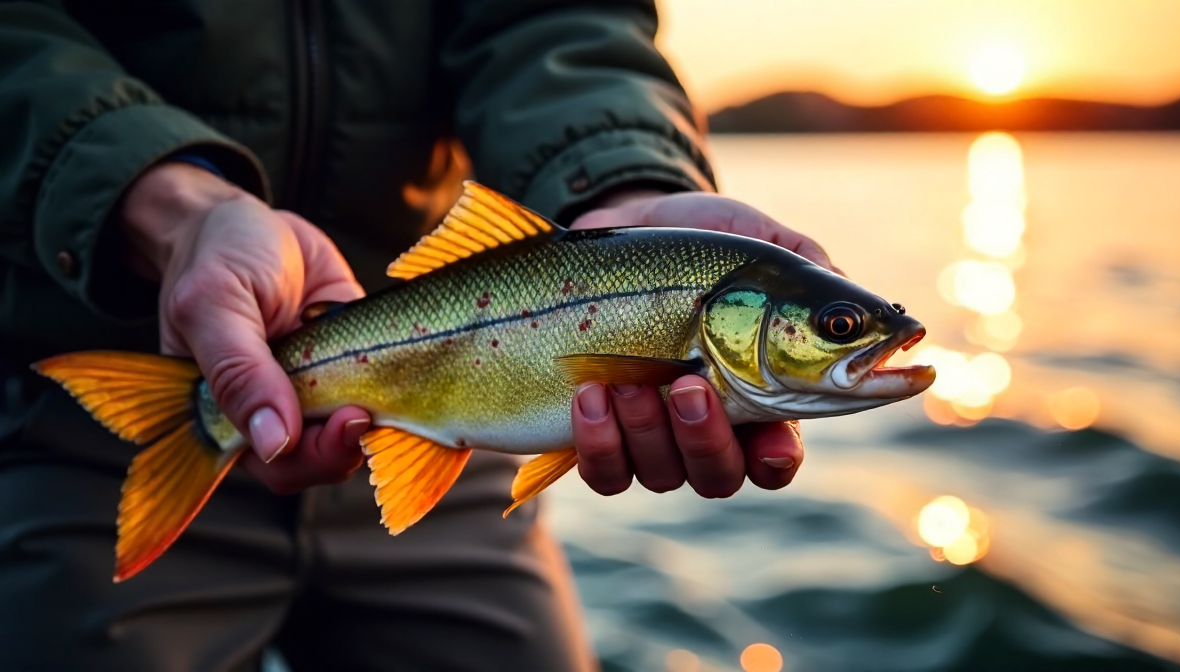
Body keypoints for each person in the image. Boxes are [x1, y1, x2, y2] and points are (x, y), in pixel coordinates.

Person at [0, 2, 833, 670]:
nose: (854, 341)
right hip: (86, 387)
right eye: (836, 328)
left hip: (460, 426)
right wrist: (168, 204)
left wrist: (621, 183)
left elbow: (554, 20)